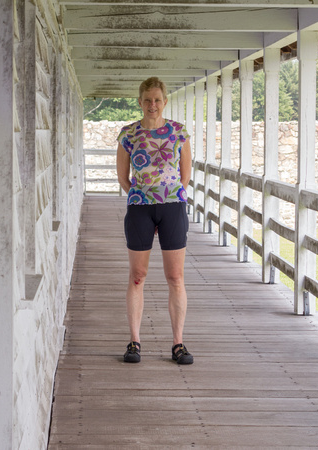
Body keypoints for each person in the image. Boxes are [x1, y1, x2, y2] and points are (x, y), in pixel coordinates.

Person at [116, 77, 193, 365]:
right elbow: (124, 177)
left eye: (157, 99)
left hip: (172, 207)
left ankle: (178, 343)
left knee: (176, 277)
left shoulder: (178, 132)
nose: (152, 105)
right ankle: (134, 341)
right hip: (140, 209)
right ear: (140, 101)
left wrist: (168, 194)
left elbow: (185, 174)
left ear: (164, 101)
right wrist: (143, 194)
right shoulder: (129, 134)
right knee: (138, 277)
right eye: (147, 99)